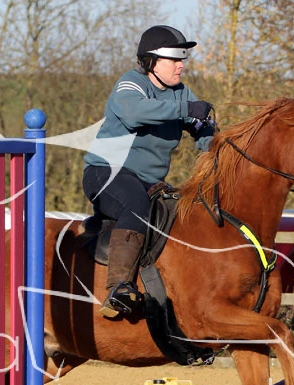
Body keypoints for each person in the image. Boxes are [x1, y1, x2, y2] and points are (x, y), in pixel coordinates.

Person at [83, 25, 215, 319]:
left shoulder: (181, 93)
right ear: (151, 62)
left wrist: (216, 147)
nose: (181, 65)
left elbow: (202, 130)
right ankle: (118, 289)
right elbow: (135, 113)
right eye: (174, 59)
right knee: (137, 206)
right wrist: (186, 110)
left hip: (150, 183)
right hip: (106, 173)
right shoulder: (131, 84)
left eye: (183, 59)